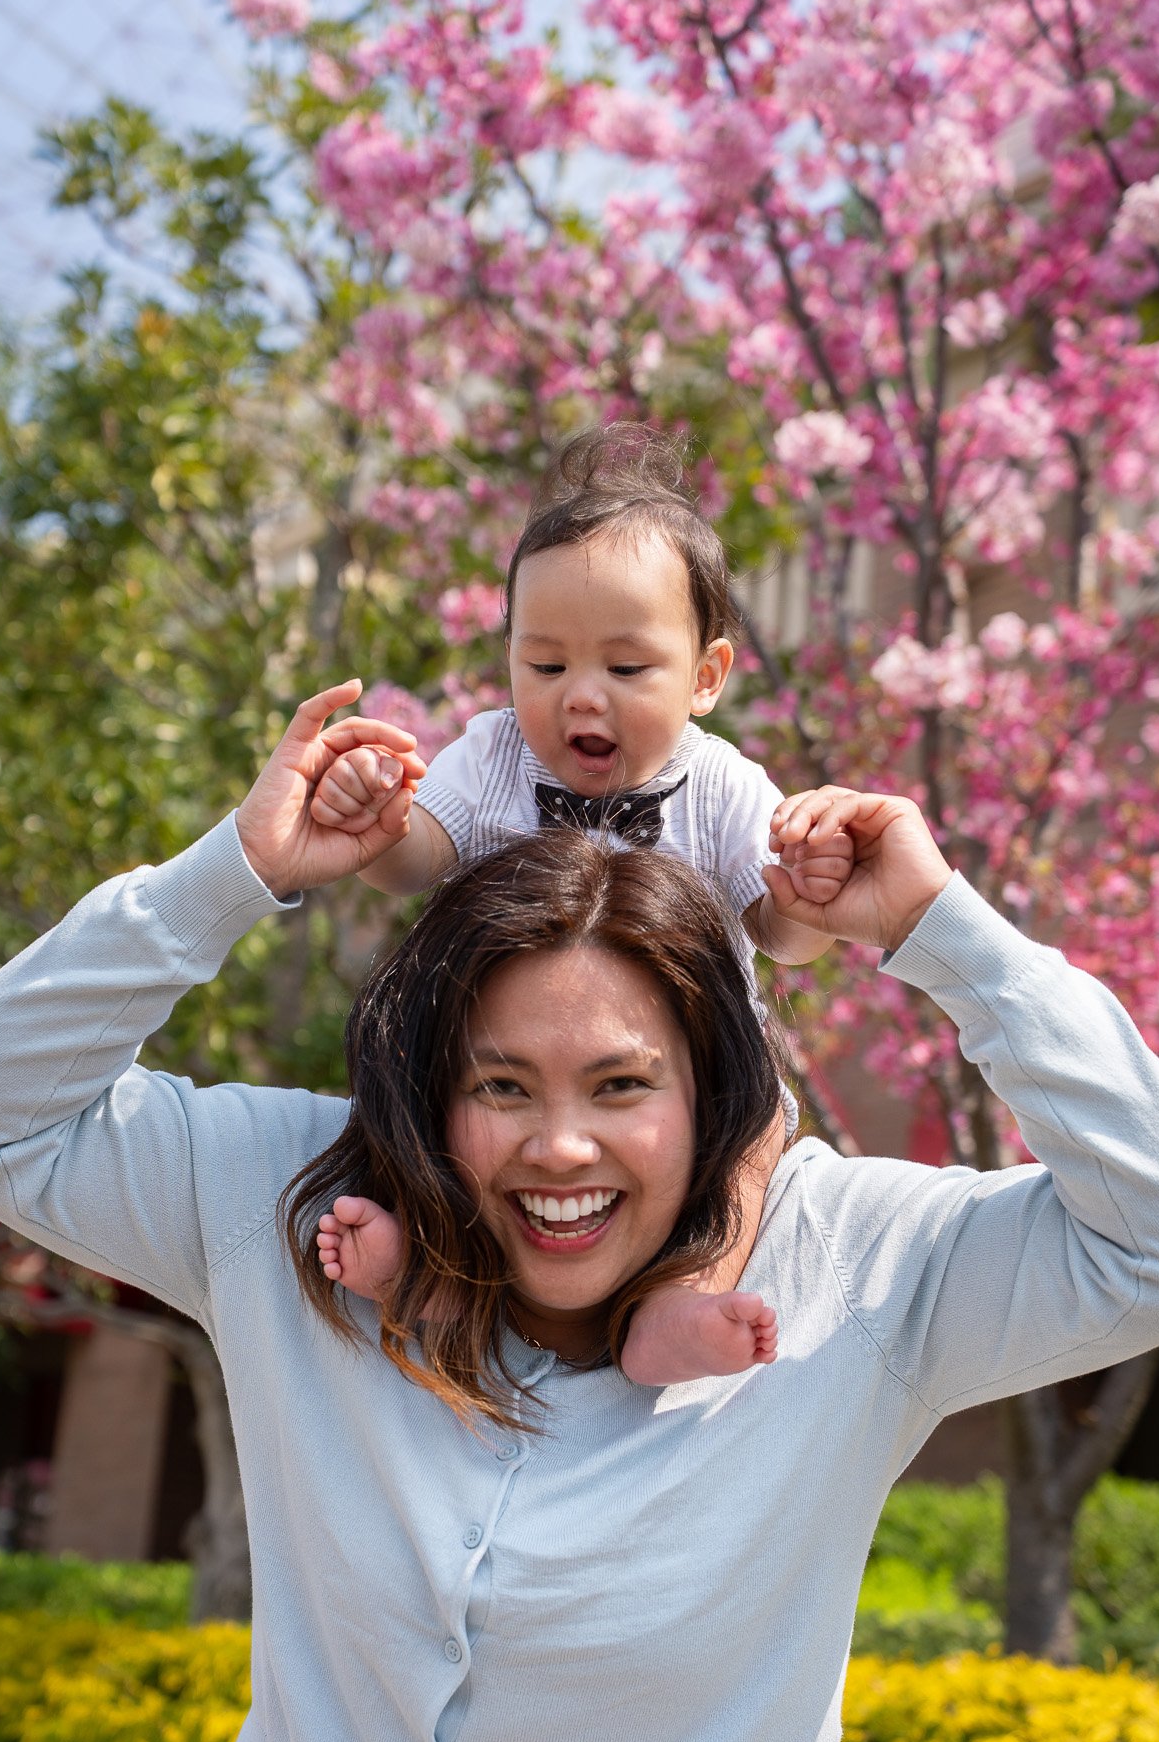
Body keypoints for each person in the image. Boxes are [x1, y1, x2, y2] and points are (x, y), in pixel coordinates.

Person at [0, 685, 1159, 1742]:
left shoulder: (856, 1266)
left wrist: (941, 931)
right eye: (499, 1084)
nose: (560, 1149)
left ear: (715, 1086)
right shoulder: (307, 1204)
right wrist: (233, 874)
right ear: (430, 1089)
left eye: (624, 1084)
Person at [308, 426, 854, 1388]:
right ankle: (427, 1268)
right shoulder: (491, 756)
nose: (581, 699)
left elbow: (786, 939)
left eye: (627, 669)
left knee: (755, 1145)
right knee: (424, 1076)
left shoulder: (724, 786)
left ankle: (677, 1299)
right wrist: (379, 821)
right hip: (505, 1047)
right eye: (546, 667)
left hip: (690, 1073)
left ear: (707, 677)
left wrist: (805, 889)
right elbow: (416, 859)